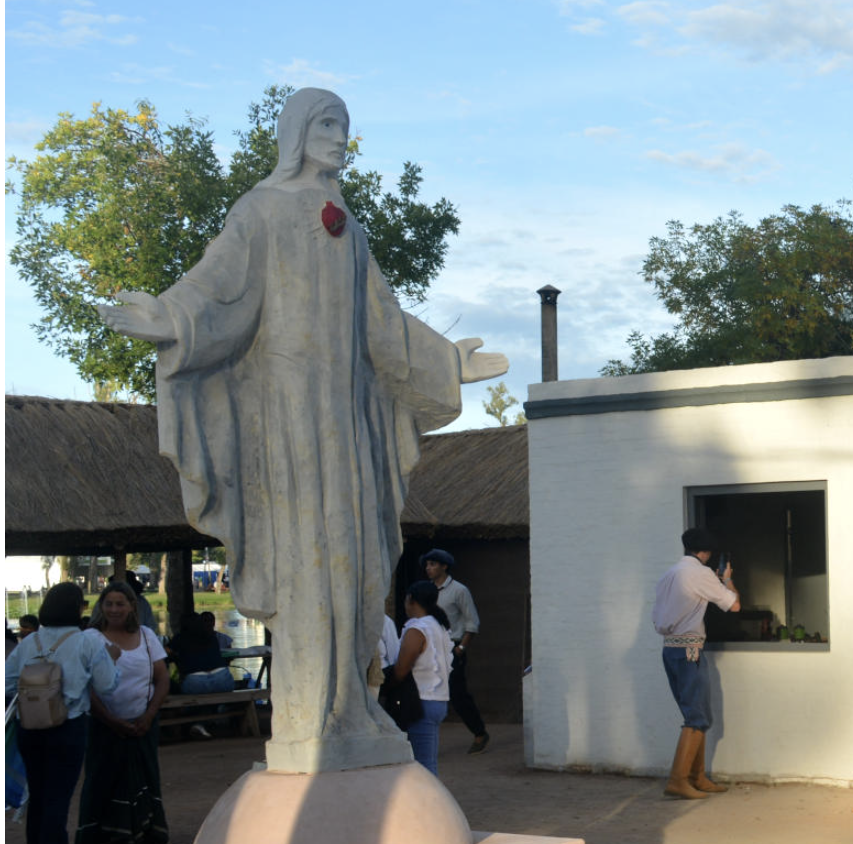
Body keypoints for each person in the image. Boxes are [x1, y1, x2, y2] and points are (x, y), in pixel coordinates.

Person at [96, 87, 507, 773]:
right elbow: (216, 291)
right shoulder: (259, 210)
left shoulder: (352, 227)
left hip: (348, 422)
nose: (340, 136)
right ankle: (309, 710)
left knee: (358, 561)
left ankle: (352, 703)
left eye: (345, 125)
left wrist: (446, 361)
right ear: (296, 132)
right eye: (327, 123)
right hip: (290, 417)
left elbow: (383, 323)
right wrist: (168, 317)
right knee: (308, 560)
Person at [4, 584, 120, 843]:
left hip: (29, 727)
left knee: (37, 796)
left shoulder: (29, 642)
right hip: (68, 726)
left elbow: (7, 683)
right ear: (77, 608)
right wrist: (112, 659)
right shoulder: (87, 641)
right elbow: (107, 686)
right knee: (58, 798)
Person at [652, 527, 740, 799]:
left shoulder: (669, 574)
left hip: (670, 649)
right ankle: (679, 780)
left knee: (695, 715)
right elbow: (734, 605)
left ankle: (696, 777)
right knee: (697, 717)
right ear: (707, 552)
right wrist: (727, 580)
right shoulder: (700, 574)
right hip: (690, 649)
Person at [81, 583, 170, 843]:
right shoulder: (91, 638)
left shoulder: (147, 636)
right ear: (101, 606)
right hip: (103, 729)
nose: (114, 609)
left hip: (144, 727)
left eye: (120, 604)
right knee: (103, 784)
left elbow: (162, 678)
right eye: (108, 604)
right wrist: (111, 721)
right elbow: (85, 686)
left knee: (146, 781)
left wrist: (149, 715)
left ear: (132, 606)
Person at [421, 549, 488, 754]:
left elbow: (472, 622)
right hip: (430, 649)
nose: (428, 568)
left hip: (452, 648)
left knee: (458, 694)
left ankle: (479, 732)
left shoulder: (459, 590)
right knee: (427, 693)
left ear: (444, 566)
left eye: (433, 564)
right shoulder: (427, 591)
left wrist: (461, 648)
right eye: (427, 565)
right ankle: (424, 740)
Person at [392, 580, 454, 775]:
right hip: (438, 700)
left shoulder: (418, 629)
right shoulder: (438, 625)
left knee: (423, 767)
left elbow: (401, 670)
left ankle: (432, 796)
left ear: (411, 599)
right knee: (427, 762)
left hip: (421, 701)